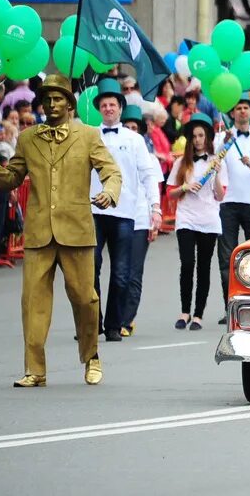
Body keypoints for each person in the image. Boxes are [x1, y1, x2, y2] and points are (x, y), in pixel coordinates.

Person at [0, 75, 122, 387]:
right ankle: (35, 369)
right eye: (47, 99)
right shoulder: (29, 139)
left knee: (85, 298)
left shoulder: (88, 135)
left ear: (70, 104)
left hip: (77, 230)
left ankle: (91, 356)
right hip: (39, 233)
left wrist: (110, 193)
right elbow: (12, 178)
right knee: (32, 302)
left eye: (59, 99)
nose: (52, 104)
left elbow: (110, 170)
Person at [90, 79, 161, 342]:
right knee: (90, 268)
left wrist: (155, 208)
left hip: (124, 213)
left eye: (113, 104)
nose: (108, 109)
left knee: (121, 273)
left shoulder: (134, 139)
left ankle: (113, 324)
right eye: (104, 105)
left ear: (120, 108)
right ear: (99, 109)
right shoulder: (89, 136)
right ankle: (92, 321)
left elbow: (147, 175)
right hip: (94, 211)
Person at [214, 99, 250, 323]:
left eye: (245, 107)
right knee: (227, 258)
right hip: (227, 203)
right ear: (233, 112)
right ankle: (230, 306)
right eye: (237, 108)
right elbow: (214, 162)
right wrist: (224, 144)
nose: (242, 111)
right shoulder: (223, 136)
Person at [166, 114, 226, 331]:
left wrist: (217, 175)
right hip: (186, 219)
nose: (198, 139)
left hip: (209, 220)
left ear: (208, 137)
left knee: (203, 267)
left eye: (202, 135)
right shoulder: (181, 163)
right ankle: (184, 311)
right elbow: (170, 193)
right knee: (187, 264)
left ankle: (199, 314)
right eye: (194, 136)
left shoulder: (216, 161)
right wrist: (185, 187)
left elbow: (220, 196)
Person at [116, 105, 163, 337]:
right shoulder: (113, 150)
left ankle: (127, 319)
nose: (131, 131)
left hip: (140, 219)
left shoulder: (150, 158)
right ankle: (112, 317)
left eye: (135, 127)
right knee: (118, 272)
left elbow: (153, 188)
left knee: (134, 272)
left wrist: (156, 215)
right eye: (128, 127)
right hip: (118, 215)